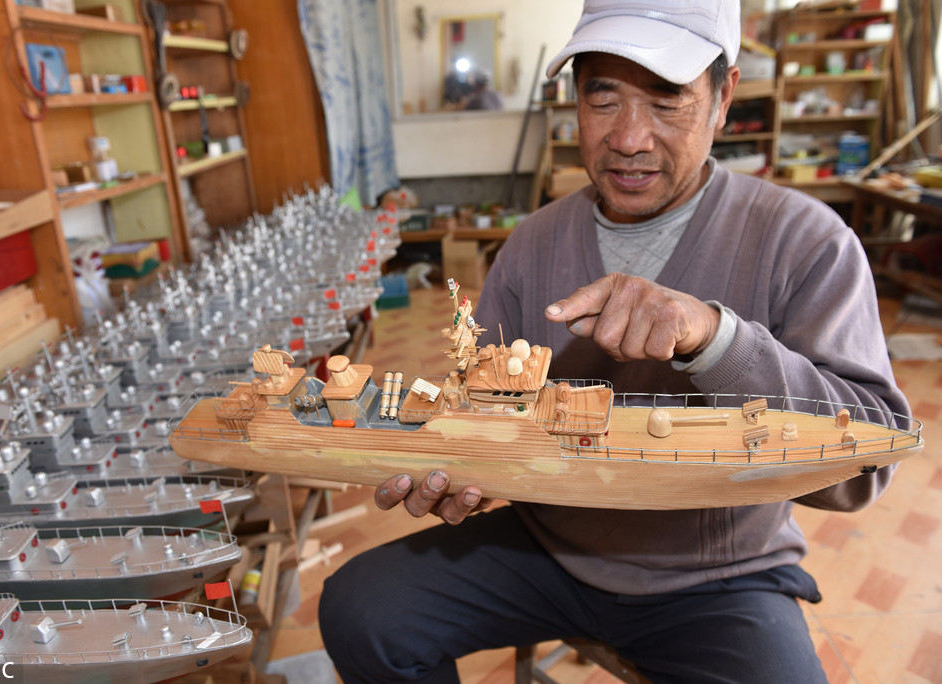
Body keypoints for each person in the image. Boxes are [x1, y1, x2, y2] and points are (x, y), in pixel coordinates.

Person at [319, 1, 909, 682]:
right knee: (363, 611)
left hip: (717, 577)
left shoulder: (805, 242)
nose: (628, 138)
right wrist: (465, 467)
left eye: (666, 99)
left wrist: (715, 339)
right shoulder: (531, 246)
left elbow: (871, 462)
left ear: (724, 98)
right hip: (546, 548)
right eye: (602, 97)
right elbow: (490, 413)